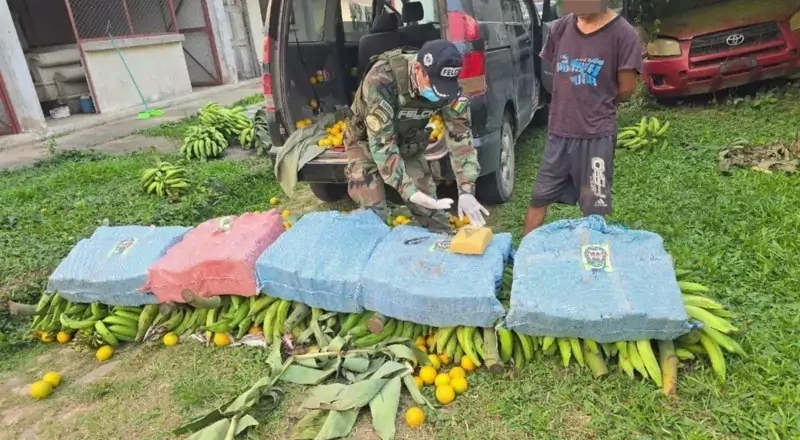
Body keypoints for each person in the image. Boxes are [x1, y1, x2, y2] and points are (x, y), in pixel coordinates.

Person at [523, 0, 642, 236]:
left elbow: (626, 89)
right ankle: (522, 256)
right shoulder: (561, 28)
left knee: (593, 205)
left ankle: (593, 261)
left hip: (596, 136)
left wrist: (595, 103)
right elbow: (552, 74)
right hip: (559, 132)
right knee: (540, 196)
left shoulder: (624, 35)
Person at [343, 39, 489, 232]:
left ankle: (440, 254)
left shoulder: (448, 87)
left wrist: (466, 189)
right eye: (433, 86)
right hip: (365, 144)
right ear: (418, 69)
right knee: (374, 216)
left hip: (407, 141)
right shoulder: (382, 79)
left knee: (432, 213)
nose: (439, 95)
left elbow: (461, 139)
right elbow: (382, 145)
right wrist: (408, 190)